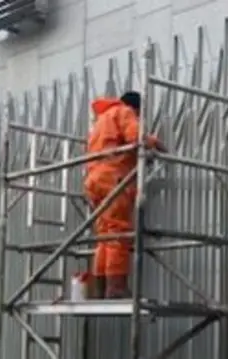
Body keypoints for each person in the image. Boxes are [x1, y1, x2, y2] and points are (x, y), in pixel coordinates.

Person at [84, 91, 166, 299]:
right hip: (113, 179)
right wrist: (155, 143)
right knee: (118, 231)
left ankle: (101, 288)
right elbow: (135, 137)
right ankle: (116, 286)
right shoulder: (124, 112)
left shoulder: (102, 120)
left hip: (94, 180)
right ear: (136, 108)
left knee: (105, 234)